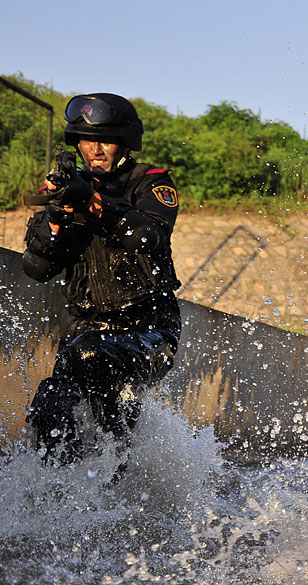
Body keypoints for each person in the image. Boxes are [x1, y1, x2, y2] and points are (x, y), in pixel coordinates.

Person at [22, 93, 182, 465]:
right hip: (87, 328)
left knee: (93, 361)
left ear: (123, 143)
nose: (95, 149)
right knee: (51, 403)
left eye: (105, 140)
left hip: (149, 327)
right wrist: (59, 217)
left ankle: (120, 481)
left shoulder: (150, 183)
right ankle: (65, 497)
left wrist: (94, 201)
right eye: (87, 140)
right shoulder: (63, 190)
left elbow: (149, 235)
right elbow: (36, 268)